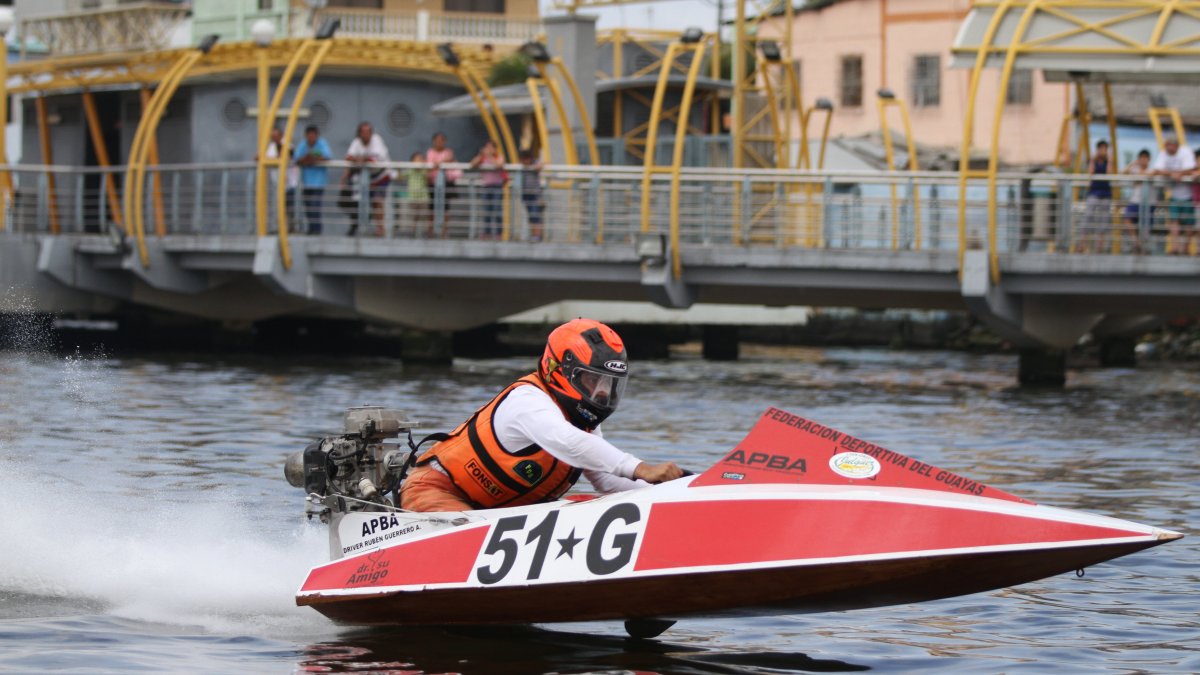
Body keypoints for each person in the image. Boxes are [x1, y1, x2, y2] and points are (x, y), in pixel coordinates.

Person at [400, 319, 684, 512]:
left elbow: (609, 481)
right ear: (557, 369)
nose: (600, 394)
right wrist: (641, 467)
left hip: (488, 515)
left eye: (608, 384)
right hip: (438, 493)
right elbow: (568, 441)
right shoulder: (527, 401)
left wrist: (675, 490)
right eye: (591, 380)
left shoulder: (582, 425)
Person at [344, 122, 393, 236]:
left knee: (378, 201)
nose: (366, 134)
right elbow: (348, 157)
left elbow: (374, 159)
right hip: (367, 177)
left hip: (382, 175)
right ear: (359, 133)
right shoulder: (356, 142)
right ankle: (373, 227)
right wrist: (362, 159)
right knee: (370, 202)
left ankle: (381, 229)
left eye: (368, 132)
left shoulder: (377, 140)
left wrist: (360, 158)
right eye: (363, 132)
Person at [1150, 135, 1196, 254]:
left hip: (1188, 195)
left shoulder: (1185, 152)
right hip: (1174, 195)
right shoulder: (1164, 153)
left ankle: (1186, 248)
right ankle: (1175, 247)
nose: (1168, 148)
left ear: (1176, 146)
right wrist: (1173, 174)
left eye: (1170, 146)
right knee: (1174, 221)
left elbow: (1191, 169)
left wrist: (1177, 174)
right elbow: (1157, 169)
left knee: (1189, 223)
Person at [293, 125, 331, 235]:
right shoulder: (303, 145)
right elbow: (297, 159)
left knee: (315, 205)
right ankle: (311, 228)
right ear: (306, 136)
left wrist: (312, 158)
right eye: (309, 135)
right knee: (308, 206)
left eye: (313, 135)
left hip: (318, 183)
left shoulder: (322, 144)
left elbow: (327, 156)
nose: (311, 137)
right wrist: (307, 158)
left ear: (317, 135)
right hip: (306, 183)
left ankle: (317, 230)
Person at [426, 131, 462, 235]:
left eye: (441, 140)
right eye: (437, 141)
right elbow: (431, 166)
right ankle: (431, 229)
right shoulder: (430, 152)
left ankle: (444, 230)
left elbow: (449, 159)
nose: (439, 143)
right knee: (431, 207)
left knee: (446, 207)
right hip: (433, 183)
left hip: (446, 183)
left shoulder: (448, 152)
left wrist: (437, 164)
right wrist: (441, 163)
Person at [470, 140, 506, 239]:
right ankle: (487, 232)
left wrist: (490, 156)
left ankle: (499, 233)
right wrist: (480, 155)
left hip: (497, 187)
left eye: (491, 147)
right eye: (487, 147)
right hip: (486, 186)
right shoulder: (482, 158)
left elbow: (499, 165)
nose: (489, 150)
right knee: (487, 210)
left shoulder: (499, 157)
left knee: (497, 210)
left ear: (495, 149)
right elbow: (472, 164)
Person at [1081, 140, 1112, 252]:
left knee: (1104, 220)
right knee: (1088, 217)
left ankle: (1100, 246)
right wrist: (1093, 160)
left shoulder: (1108, 161)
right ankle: (1082, 244)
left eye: (1105, 149)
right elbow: (1091, 173)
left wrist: (1109, 161)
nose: (1104, 151)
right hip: (1094, 192)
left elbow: (1109, 174)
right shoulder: (1093, 160)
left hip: (1105, 193)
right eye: (1102, 148)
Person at [1122, 149, 1152, 253]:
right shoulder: (1135, 170)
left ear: (1149, 159)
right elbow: (1123, 172)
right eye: (1141, 158)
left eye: (1145, 158)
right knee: (1127, 219)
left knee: (1145, 226)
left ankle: (1142, 246)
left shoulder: (1152, 170)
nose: (1143, 160)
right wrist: (1133, 163)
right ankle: (1136, 243)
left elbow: (1145, 175)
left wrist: (1137, 176)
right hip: (1135, 201)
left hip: (1149, 203)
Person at [519, 148, 545, 242]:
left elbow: (541, 165)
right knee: (530, 216)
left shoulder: (534, 163)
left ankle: (537, 235)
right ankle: (533, 234)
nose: (524, 161)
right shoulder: (521, 167)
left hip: (535, 194)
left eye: (526, 159)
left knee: (536, 215)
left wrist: (532, 166)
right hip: (526, 194)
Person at [403, 151, 431, 237]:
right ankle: (413, 233)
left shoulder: (424, 171)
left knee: (424, 216)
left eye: (420, 159)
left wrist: (425, 165)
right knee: (413, 217)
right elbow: (401, 175)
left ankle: (425, 234)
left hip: (423, 198)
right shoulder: (410, 171)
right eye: (417, 159)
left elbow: (429, 178)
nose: (419, 161)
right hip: (412, 198)